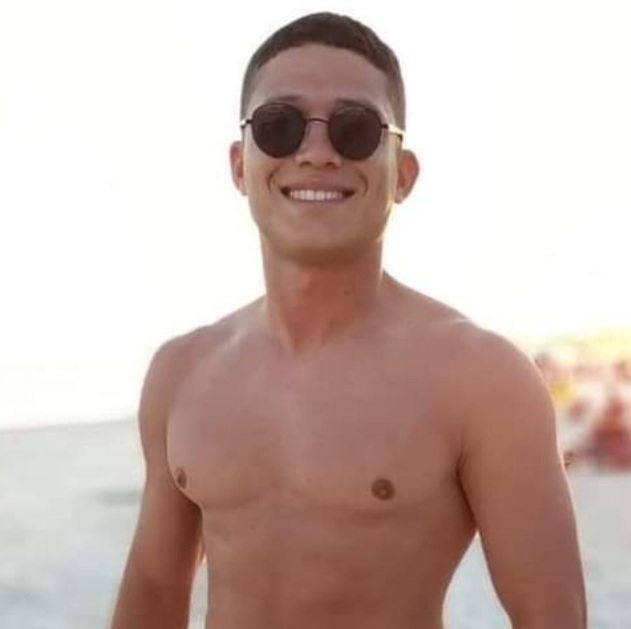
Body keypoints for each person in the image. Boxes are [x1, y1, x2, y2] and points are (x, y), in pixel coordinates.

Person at [110, 12, 586, 629]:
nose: (316, 153)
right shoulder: (181, 373)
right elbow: (153, 592)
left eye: (355, 129)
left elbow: (553, 618)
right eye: (279, 126)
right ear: (239, 165)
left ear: (403, 174)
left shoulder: (483, 380)